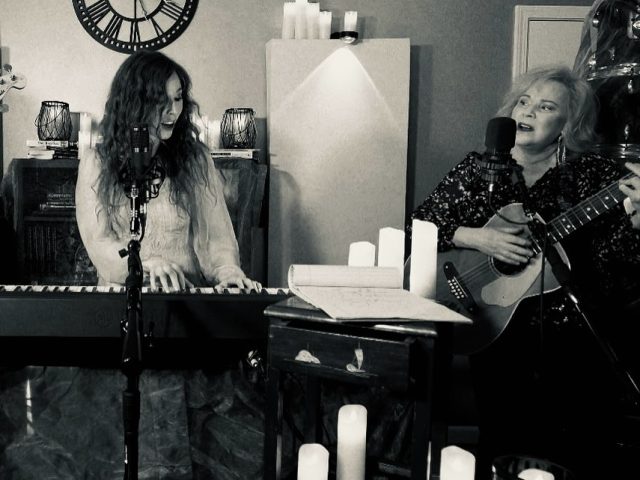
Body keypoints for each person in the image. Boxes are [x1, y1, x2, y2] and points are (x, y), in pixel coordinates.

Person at [410, 66, 640, 479]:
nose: (529, 112)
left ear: (568, 124)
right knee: (502, 441)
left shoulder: (595, 176)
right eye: (524, 101)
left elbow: (620, 262)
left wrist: (639, 221)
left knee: (573, 452)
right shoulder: (478, 168)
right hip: (490, 325)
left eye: (546, 106)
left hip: (570, 335)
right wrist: (480, 238)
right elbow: (421, 225)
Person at [76, 49, 260, 292]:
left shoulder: (195, 159)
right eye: (161, 100)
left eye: (178, 98)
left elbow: (218, 240)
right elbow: (99, 245)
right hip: (124, 297)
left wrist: (229, 273)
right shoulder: (97, 162)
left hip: (183, 297)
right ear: (135, 102)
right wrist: (145, 265)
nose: (173, 111)